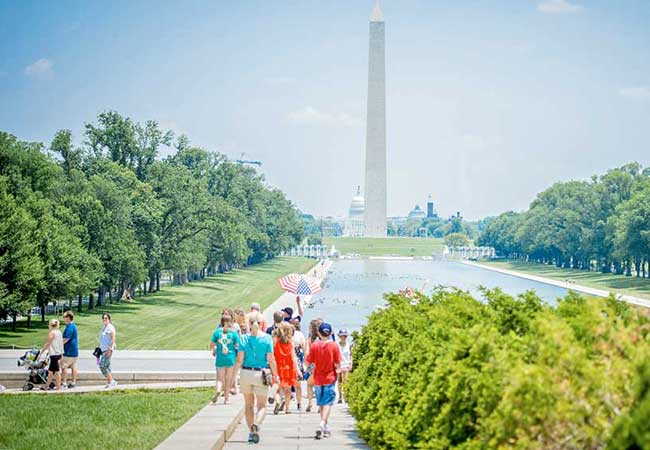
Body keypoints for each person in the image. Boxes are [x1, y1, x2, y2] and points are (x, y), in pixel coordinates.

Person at [234, 311, 279, 444]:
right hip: (261, 374)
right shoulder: (267, 338)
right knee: (262, 406)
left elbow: (239, 359)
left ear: (249, 323)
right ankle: (257, 424)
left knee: (248, 405)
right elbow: (271, 359)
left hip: (246, 373)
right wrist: (276, 375)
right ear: (262, 324)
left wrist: (233, 377)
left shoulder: (243, 338)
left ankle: (251, 432)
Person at [306, 322, 341, 439]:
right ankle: (322, 424)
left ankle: (325, 426)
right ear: (330, 333)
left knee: (321, 403)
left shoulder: (314, 345)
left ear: (319, 333)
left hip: (318, 378)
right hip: (329, 377)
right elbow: (337, 363)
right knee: (327, 403)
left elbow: (309, 361)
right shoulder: (334, 346)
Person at [210, 314, 241, 404]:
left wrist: (216, 348)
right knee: (228, 378)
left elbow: (211, 345)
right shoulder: (233, 333)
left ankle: (219, 390)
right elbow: (237, 346)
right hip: (230, 358)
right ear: (231, 322)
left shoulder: (217, 332)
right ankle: (227, 399)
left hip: (220, 357)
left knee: (220, 379)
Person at [272, 322, 299, 414]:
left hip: (278, 367)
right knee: (288, 390)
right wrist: (297, 369)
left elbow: (272, 354)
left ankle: (278, 400)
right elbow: (293, 356)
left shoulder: (275, 340)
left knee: (278, 389)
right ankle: (287, 409)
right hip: (289, 368)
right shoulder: (290, 341)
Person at [39, 319, 64, 390]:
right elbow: (60, 344)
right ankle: (47, 386)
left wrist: (41, 353)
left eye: (48, 324)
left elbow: (47, 344)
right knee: (50, 372)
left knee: (56, 372)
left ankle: (58, 387)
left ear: (51, 325)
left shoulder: (52, 333)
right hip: (58, 354)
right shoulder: (59, 332)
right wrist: (62, 354)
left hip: (54, 355)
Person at [305, 318, 323, 412]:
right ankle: (320, 405)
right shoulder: (323, 340)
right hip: (322, 364)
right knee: (320, 385)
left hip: (312, 364)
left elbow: (307, 353)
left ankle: (310, 402)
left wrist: (307, 364)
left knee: (309, 384)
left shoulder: (310, 340)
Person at [292, 318, 307, 410]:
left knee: (287, 384)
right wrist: (305, 362)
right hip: (297, 358)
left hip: (287, 359)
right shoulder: (300, 335)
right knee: (298, 385)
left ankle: (285, 401)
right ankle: (299, 402)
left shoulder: (287, 335)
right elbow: (304, 348)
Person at [99, 313, 117, 388]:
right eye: (103, 318)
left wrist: (109, 349)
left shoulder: (110, 327)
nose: (104, 319)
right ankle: (110, 382)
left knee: (102, 366)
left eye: (106, 318)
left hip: (107, 350)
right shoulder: (104, 327)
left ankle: (112, 381)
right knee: (107, 366)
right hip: (103, 349)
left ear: (109, 319)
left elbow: (113, 338)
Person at [61, 311, 79, 389]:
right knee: (73, 365)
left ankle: (64, 383)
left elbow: (66, 339)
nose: (63, 318)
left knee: (64, 366)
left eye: (64, 317)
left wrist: (58, 344)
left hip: (69, 350)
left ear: (68, 318)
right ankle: (73, 382)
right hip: (74, 350)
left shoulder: (70, 327)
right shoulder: (73, 325)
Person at [337, 329, 352, 404]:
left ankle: (346, 396)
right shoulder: (337, 345)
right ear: (339, 336)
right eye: (342, 336)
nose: (343, 337)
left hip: (346, 364)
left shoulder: (349, 345)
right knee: (339, 381)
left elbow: (351, 355)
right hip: (339, 365)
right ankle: (340, 396)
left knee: (346, 381)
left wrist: (351, 363)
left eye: (344, 336)